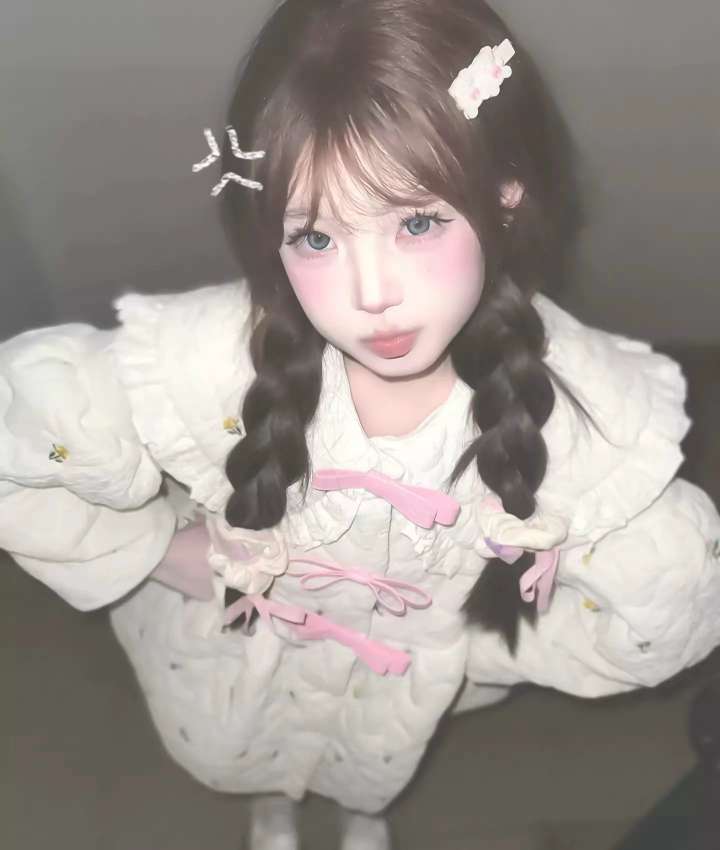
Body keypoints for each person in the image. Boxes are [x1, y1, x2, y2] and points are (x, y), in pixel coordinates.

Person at [2, 1, 719, 848]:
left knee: (368, 768)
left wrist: (485, 646)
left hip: (393, 703)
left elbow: (669, 600)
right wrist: (157, 550)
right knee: (250, 757)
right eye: (315, 237)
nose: (372, 293)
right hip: (237, 666)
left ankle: (359, 813)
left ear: (505, 194)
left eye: (416, 222)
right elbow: (22, 436)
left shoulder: (579, 419)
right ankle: (272, 807)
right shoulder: (207, 362)